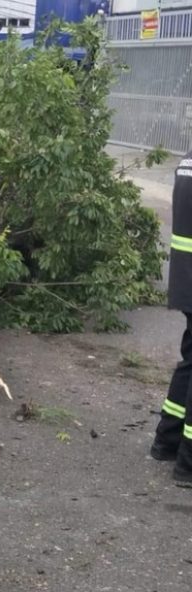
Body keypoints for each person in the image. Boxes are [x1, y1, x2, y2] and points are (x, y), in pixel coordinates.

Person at [151, 154, 192, 486]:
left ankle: (166, 441)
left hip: (185, 278)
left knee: (189, 361)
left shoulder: (186, 161)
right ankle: (188, 465)